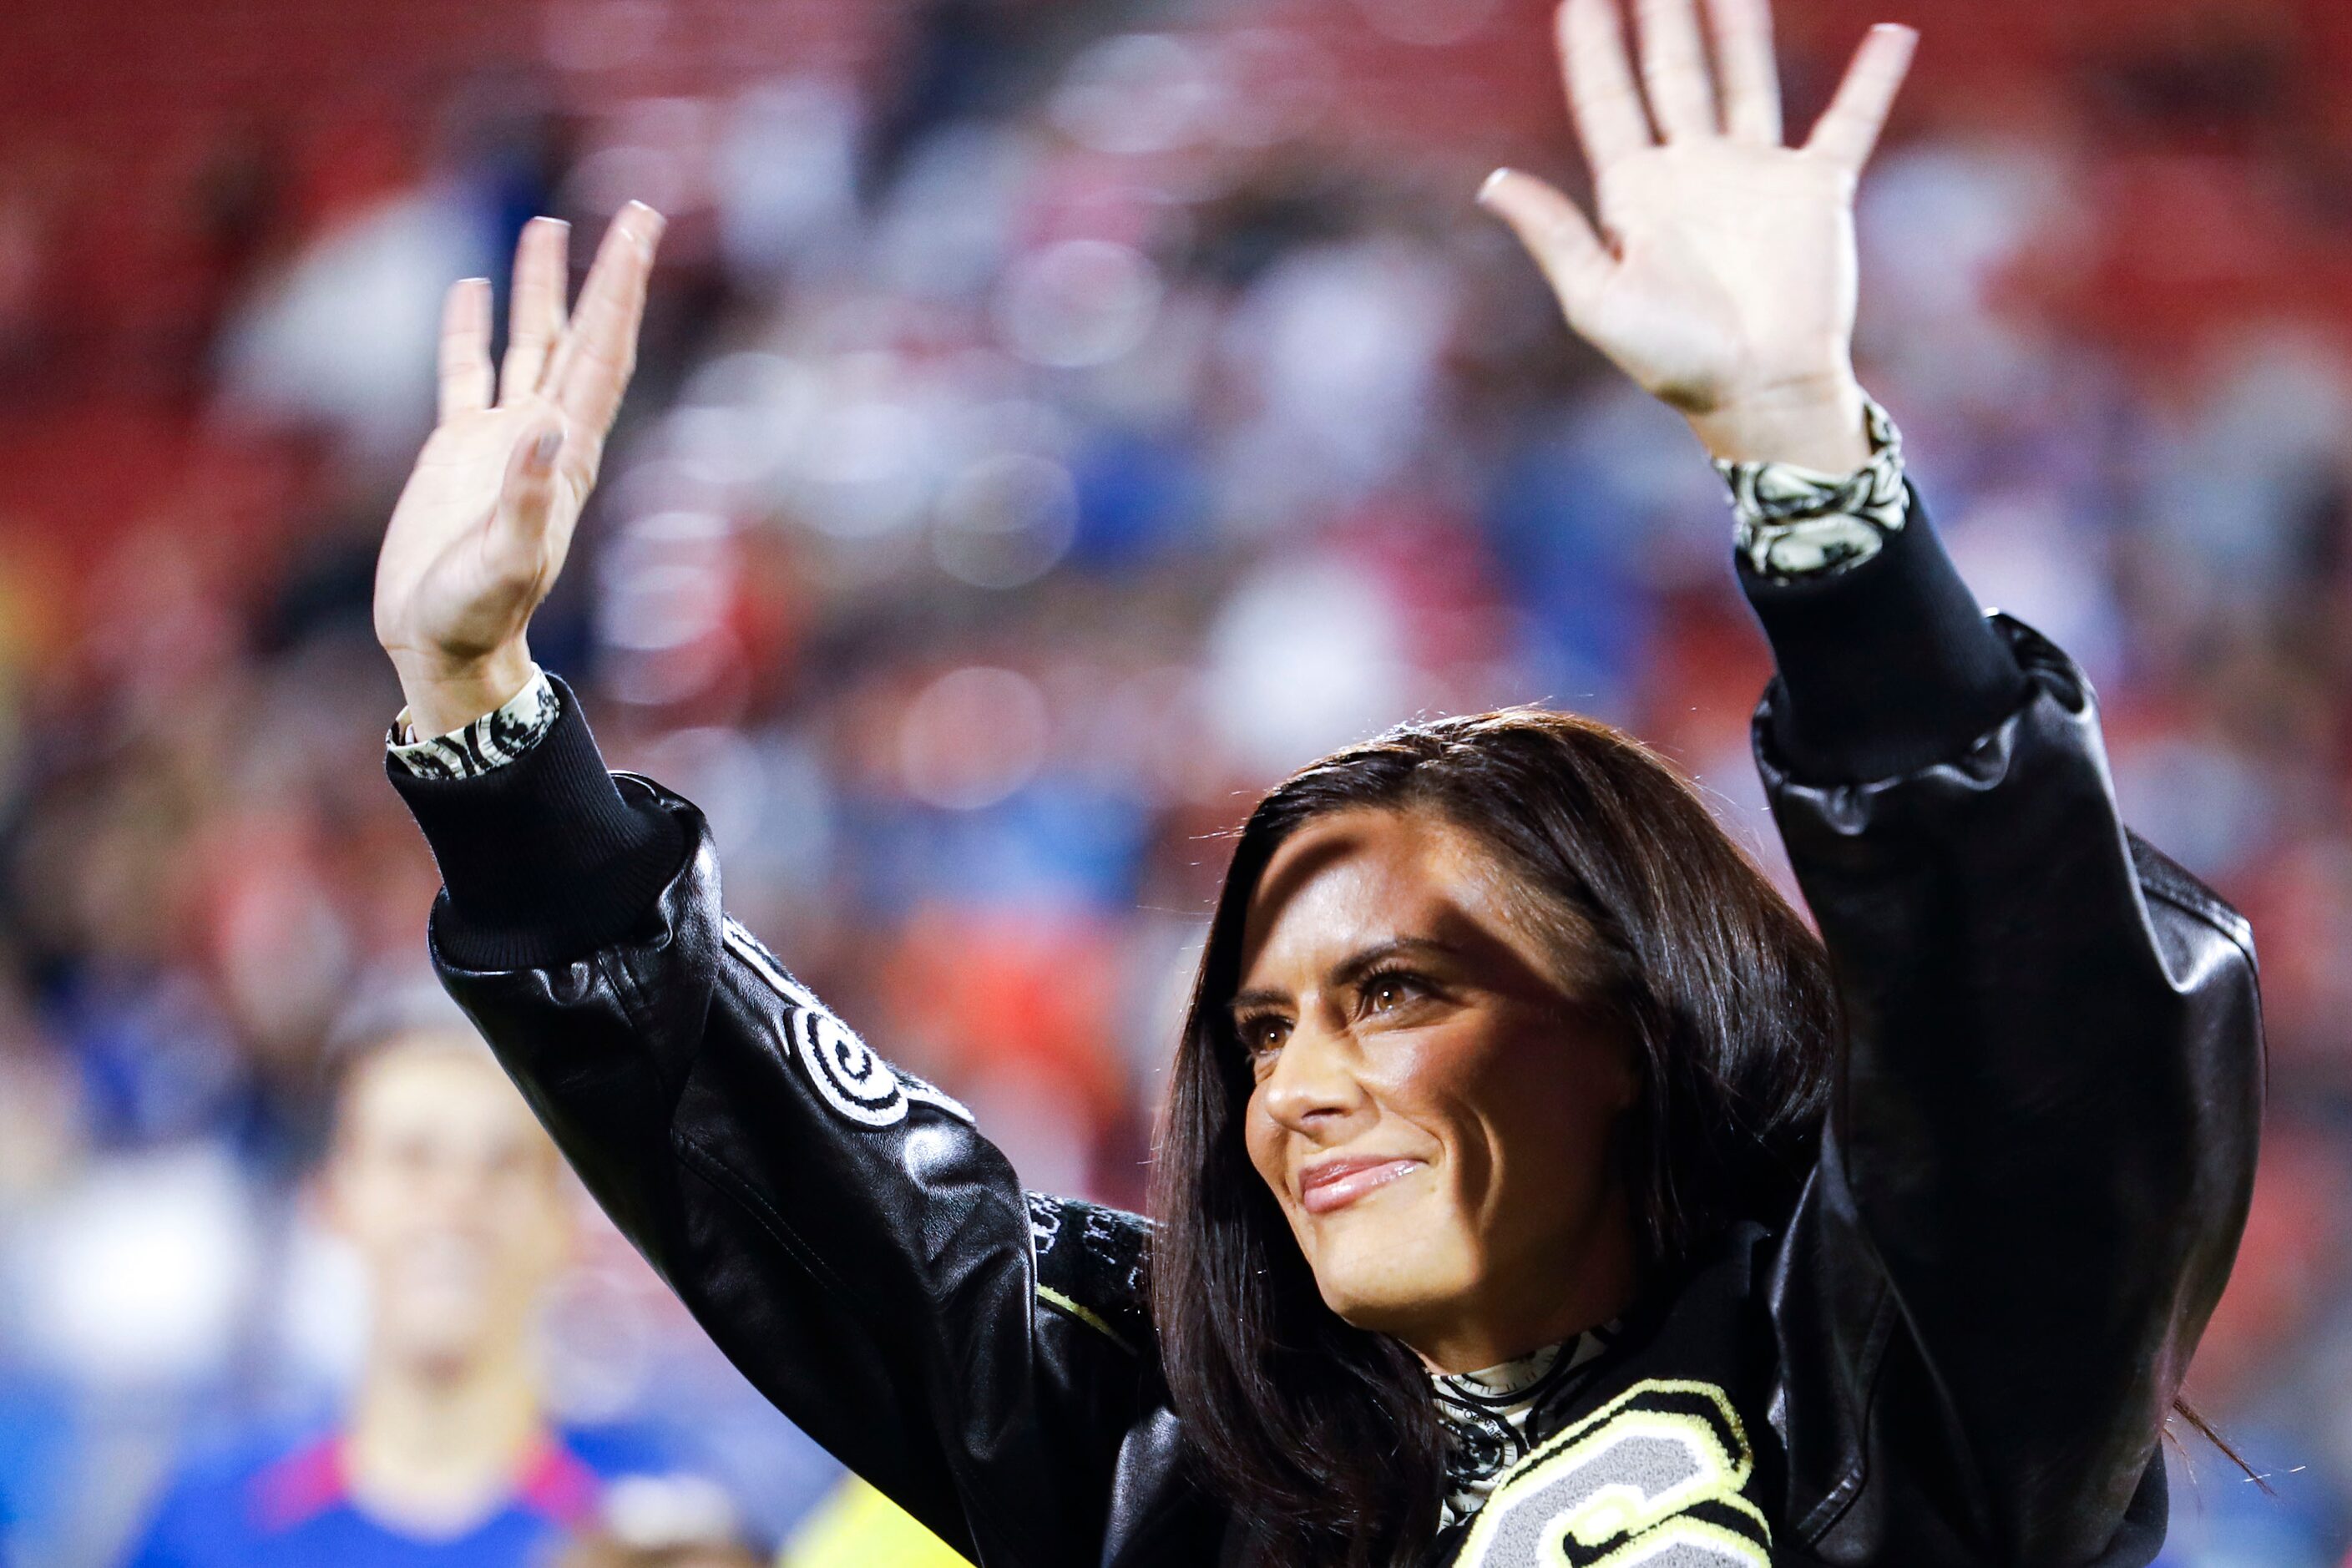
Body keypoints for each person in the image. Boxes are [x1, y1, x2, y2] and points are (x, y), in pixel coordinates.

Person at [368, 0, 2263, 1562]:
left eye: (1397, 992)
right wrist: (481, 719)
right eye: (1260, 1031)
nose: (1299, 1088)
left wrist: (1812, 479)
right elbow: (800, 1195)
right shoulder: (1181, 1455)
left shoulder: (1890, 1361)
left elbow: (2037, 1052)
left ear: (1632, 1024)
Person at [124, 1024, 678, 1567]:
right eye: (413, 1157)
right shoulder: (206, 1524)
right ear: (332, 1201)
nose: (455, 1202)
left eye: (503, 1164)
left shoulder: (657, 1531)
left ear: (565, 1225)